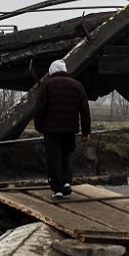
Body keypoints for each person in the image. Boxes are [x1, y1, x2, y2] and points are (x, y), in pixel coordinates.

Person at [33, 59, 91, 199]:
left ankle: (57, 189)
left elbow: (40, 108)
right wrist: (86, 131)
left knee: (54, 158)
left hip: (51, 130)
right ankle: (66, 182)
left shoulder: (47, 85)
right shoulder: (77, 85)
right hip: (70, 129)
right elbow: (84, 109)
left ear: (52, 71)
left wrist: (39, 126)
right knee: (66, 155)